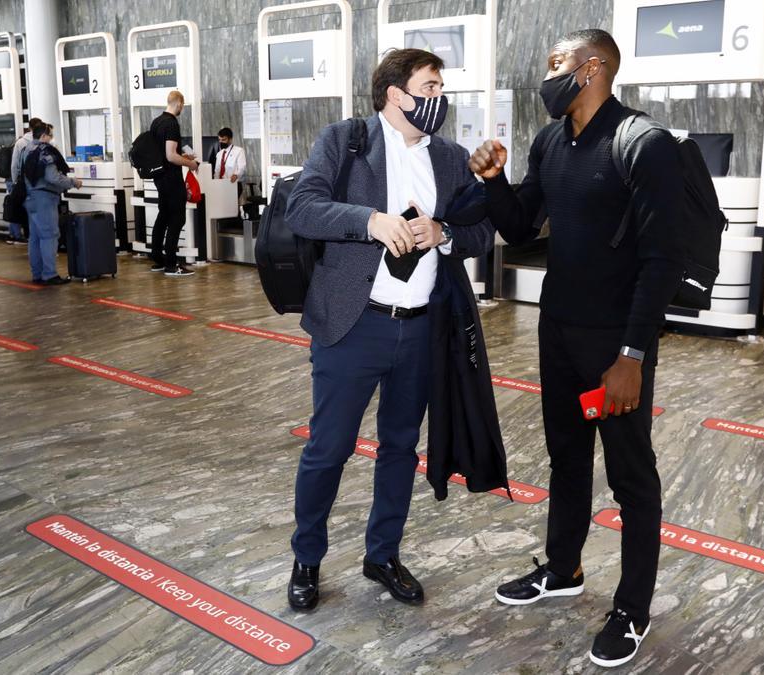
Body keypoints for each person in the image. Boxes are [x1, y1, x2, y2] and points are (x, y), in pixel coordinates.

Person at [469, 29, 683, 668]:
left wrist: (633, 357)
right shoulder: (552, 141)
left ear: (592, 68)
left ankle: (633, 608)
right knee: (566, 459)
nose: (546, 74)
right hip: (557, 330)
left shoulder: (643, 144)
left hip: (613, 343)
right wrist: (493, 179)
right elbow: (518, 225)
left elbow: (660, 261)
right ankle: (563, 569)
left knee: (630, 476)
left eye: (555, 62)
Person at [282, 48, 495, 613]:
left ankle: (383, 554)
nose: (439, 99)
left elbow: (481, 235)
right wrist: (369, 222)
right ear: (396, 95)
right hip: (354, 327)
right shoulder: (346, 139)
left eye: (441, 87)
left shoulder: (448, 158)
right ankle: (307, 558)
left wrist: (442, 231)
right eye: (430, 87)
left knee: (400, 448)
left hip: (422, 329)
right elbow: (302, 209)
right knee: (329, 449)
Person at [20, 123, 81, 285]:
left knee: (35, 238)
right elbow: (52, 177)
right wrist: (73, 182)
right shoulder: (45, 152)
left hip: (29, 197)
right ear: (44, 136)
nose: (51, 139)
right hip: (44, 198)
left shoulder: (26, 149)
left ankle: (37, 274)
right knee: (49, 236)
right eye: (50, 135)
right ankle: (49, 274)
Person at [148, 90, 199, 277]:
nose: (181, 109)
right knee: (177, 219)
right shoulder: (171, 123)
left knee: (163, 216)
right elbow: (170, 156)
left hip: (159, 178)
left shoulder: (156, 122)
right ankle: (171, 264)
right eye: (182, 106)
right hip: (171, 178)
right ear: (179, 104)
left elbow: (163, 153)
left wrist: (182, 156)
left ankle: (158, 260)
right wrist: (190, 163)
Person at [6, 117, 45, 245]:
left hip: (22, 181)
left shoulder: (21, 142)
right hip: (37, 183)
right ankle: (32, 235)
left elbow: (14, 164)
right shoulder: (43, 143)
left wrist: (15, 180)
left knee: (17, 206)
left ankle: (17, 235)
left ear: (29, 127)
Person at [208, 127, 246, 191]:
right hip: (221, 185)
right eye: (219, 140)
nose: (221, 142)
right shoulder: (219, 154)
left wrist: (236, 175)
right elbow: (217, 171)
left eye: (223, 140)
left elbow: (242, 167)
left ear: (230, 139)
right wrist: (215, 183)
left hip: (233, 183)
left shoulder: (239, 151)